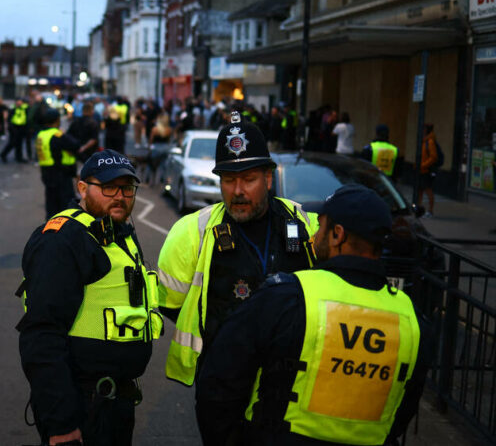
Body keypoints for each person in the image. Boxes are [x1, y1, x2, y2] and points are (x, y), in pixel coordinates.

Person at [196, 184, 430, 446]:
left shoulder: (286, 297)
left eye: (321, 226)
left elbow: (218, 385)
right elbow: (403, 408)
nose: (313, 236)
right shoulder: (412, 321)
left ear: (337, 235)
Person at [156, 113, 319, 387]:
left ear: (268, 179)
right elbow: (170, 304)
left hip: (291, 387)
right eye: (228, 180)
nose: (238, 191)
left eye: (248, 179)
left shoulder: (307, 226)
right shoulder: (191, 231)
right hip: (222, 387)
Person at [17, 149, 163, 446]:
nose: (120, 196)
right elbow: (41, 335)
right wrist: (61, 424)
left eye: (127, 187)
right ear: (82, 188)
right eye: (109, 187)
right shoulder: (63, 240)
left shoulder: (116, 231)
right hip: (82, 405)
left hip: (113, 401)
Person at [37, 109, 81, 218]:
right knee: (66, 207)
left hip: (46, 173)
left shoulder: (41, 134)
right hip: (61, 174)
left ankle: (50, 228)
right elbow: (75, 145)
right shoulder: (56, 135)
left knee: (51, 205)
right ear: (57, 120)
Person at [418, 123, 438, 218]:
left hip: (425, 170)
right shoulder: (424, 141)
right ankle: (418, 208)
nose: (422, 131)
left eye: (424, 129)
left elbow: (433, 157)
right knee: (420, 191)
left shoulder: (429, 142)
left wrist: (423, 165)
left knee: (427, 190)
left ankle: (430, 210)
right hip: (421, 170)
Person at [0, 98, 28, 162]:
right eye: (18, 102)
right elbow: (9, 118)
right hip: (14, 127)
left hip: (21, 127)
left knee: (19, 143)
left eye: (20, 102)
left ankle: (19, 157)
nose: (19, 103)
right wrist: (10, 127)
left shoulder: (25, 108)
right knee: (12, 143)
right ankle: (3, 154)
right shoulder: (12, 108)